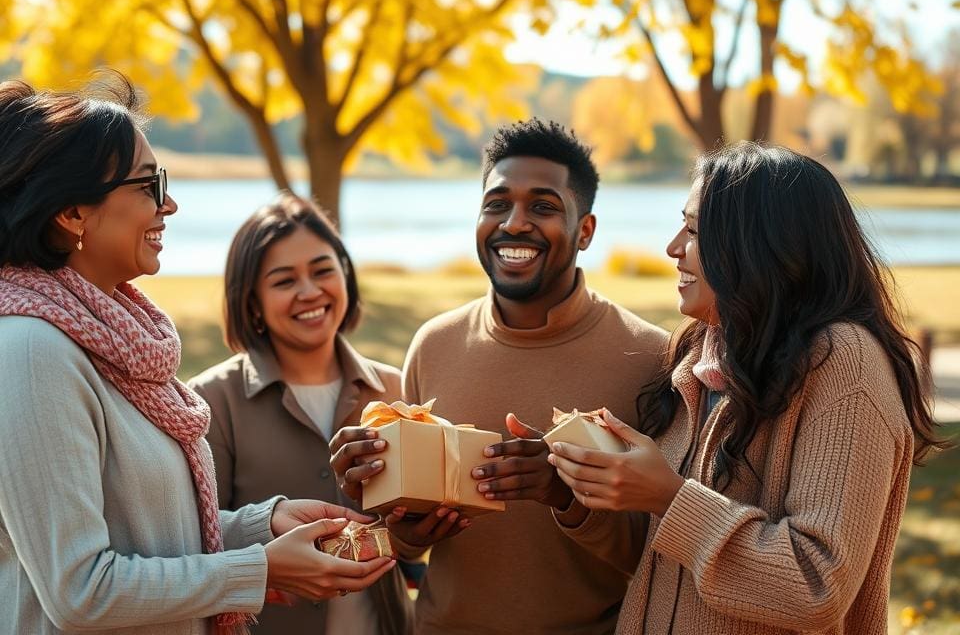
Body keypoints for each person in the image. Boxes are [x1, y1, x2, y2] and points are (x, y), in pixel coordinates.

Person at [0, 76, 396, 635]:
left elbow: (148, 537)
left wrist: (265, 525)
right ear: (72, 213)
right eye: (147, 185)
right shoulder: (32, 352)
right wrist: (257, 570)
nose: (170, 203)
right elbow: (79, 592)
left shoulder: (115, 343)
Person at [544, 142, 943, 634]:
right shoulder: (701, 358)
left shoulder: (844, 363)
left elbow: (817, 586)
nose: (672, 248)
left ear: (757, 242)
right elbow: (668, 558)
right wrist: (572, 487)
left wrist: (670, 497)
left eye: (693, 230)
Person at [331, 119, 669, 634]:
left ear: (586, 230)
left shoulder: (649, 357)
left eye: (543, 206)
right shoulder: (434, 343)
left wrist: (567, 496)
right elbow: (404, 544)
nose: (514, 223)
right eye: (496, 203)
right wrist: (394, 515)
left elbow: (662, 555)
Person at [188, 194, 413, 635]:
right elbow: (195, 544)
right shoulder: (210, 401)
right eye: (284, 280)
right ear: (251, 300)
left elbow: (413, 541)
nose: (310, 292)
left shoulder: (396, 390)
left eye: (323, 270)